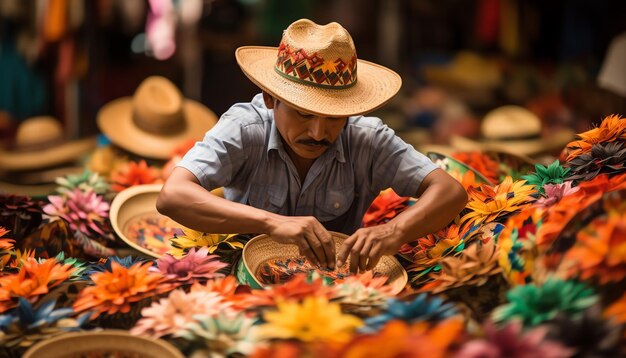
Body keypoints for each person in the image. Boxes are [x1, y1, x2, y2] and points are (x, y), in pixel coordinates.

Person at [157, 19, 467, 274]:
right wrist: (271, 222)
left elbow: (450, 191)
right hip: (239, 276)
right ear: (270, 99)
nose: (318, 132)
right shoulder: (245, 127)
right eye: (303, 114)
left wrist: (393, 231)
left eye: (334, 117)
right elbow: (173, 196)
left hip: (341, 284)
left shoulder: (367, 139)